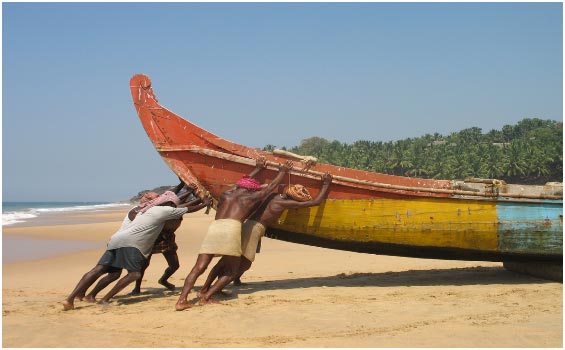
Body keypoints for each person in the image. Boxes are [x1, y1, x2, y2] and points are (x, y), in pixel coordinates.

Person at [62, 185, 210, 311]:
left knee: (105, 271)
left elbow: (173, 199)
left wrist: (186, 187)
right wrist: (204, 201)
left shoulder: (141, 210)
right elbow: (187, 208)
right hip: (134, 243)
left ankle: (74, 298)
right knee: (134, 274)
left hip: (116, 240)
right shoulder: (162, 211)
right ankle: (105, 299)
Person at [175, 158, 293, 311]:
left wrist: (257, 169)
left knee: (199, 267)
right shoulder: (251, 197)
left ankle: (182, 300)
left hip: (215, 228)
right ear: (251, 190)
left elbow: (241, 183)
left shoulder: (226, 194)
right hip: (231, 229)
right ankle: (206, 297)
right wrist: (282, 172)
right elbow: (270, 187)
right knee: (232, 271)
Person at [199, 172, 333, 295]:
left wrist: (266, 171)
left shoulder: (272, 196)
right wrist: (326, 184)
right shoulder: (283, 203)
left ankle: (206, 288)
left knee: (227, 261)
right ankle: (213, 291)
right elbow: (316, 202)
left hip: (247, 225)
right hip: (254, 229)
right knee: (243, 264)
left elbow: (256, 185)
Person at [130, 184, 202, 295]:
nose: (157, 194)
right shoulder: (157, 206)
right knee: (144, 264)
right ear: (147, 196)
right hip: (152, 237)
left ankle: (163, 280)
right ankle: (136, 288)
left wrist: (186, 187)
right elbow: (183, 203)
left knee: (174, 265)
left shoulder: (169, 203)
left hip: (167, 237)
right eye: (149, 193)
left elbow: (177, 198)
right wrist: (200, 198)